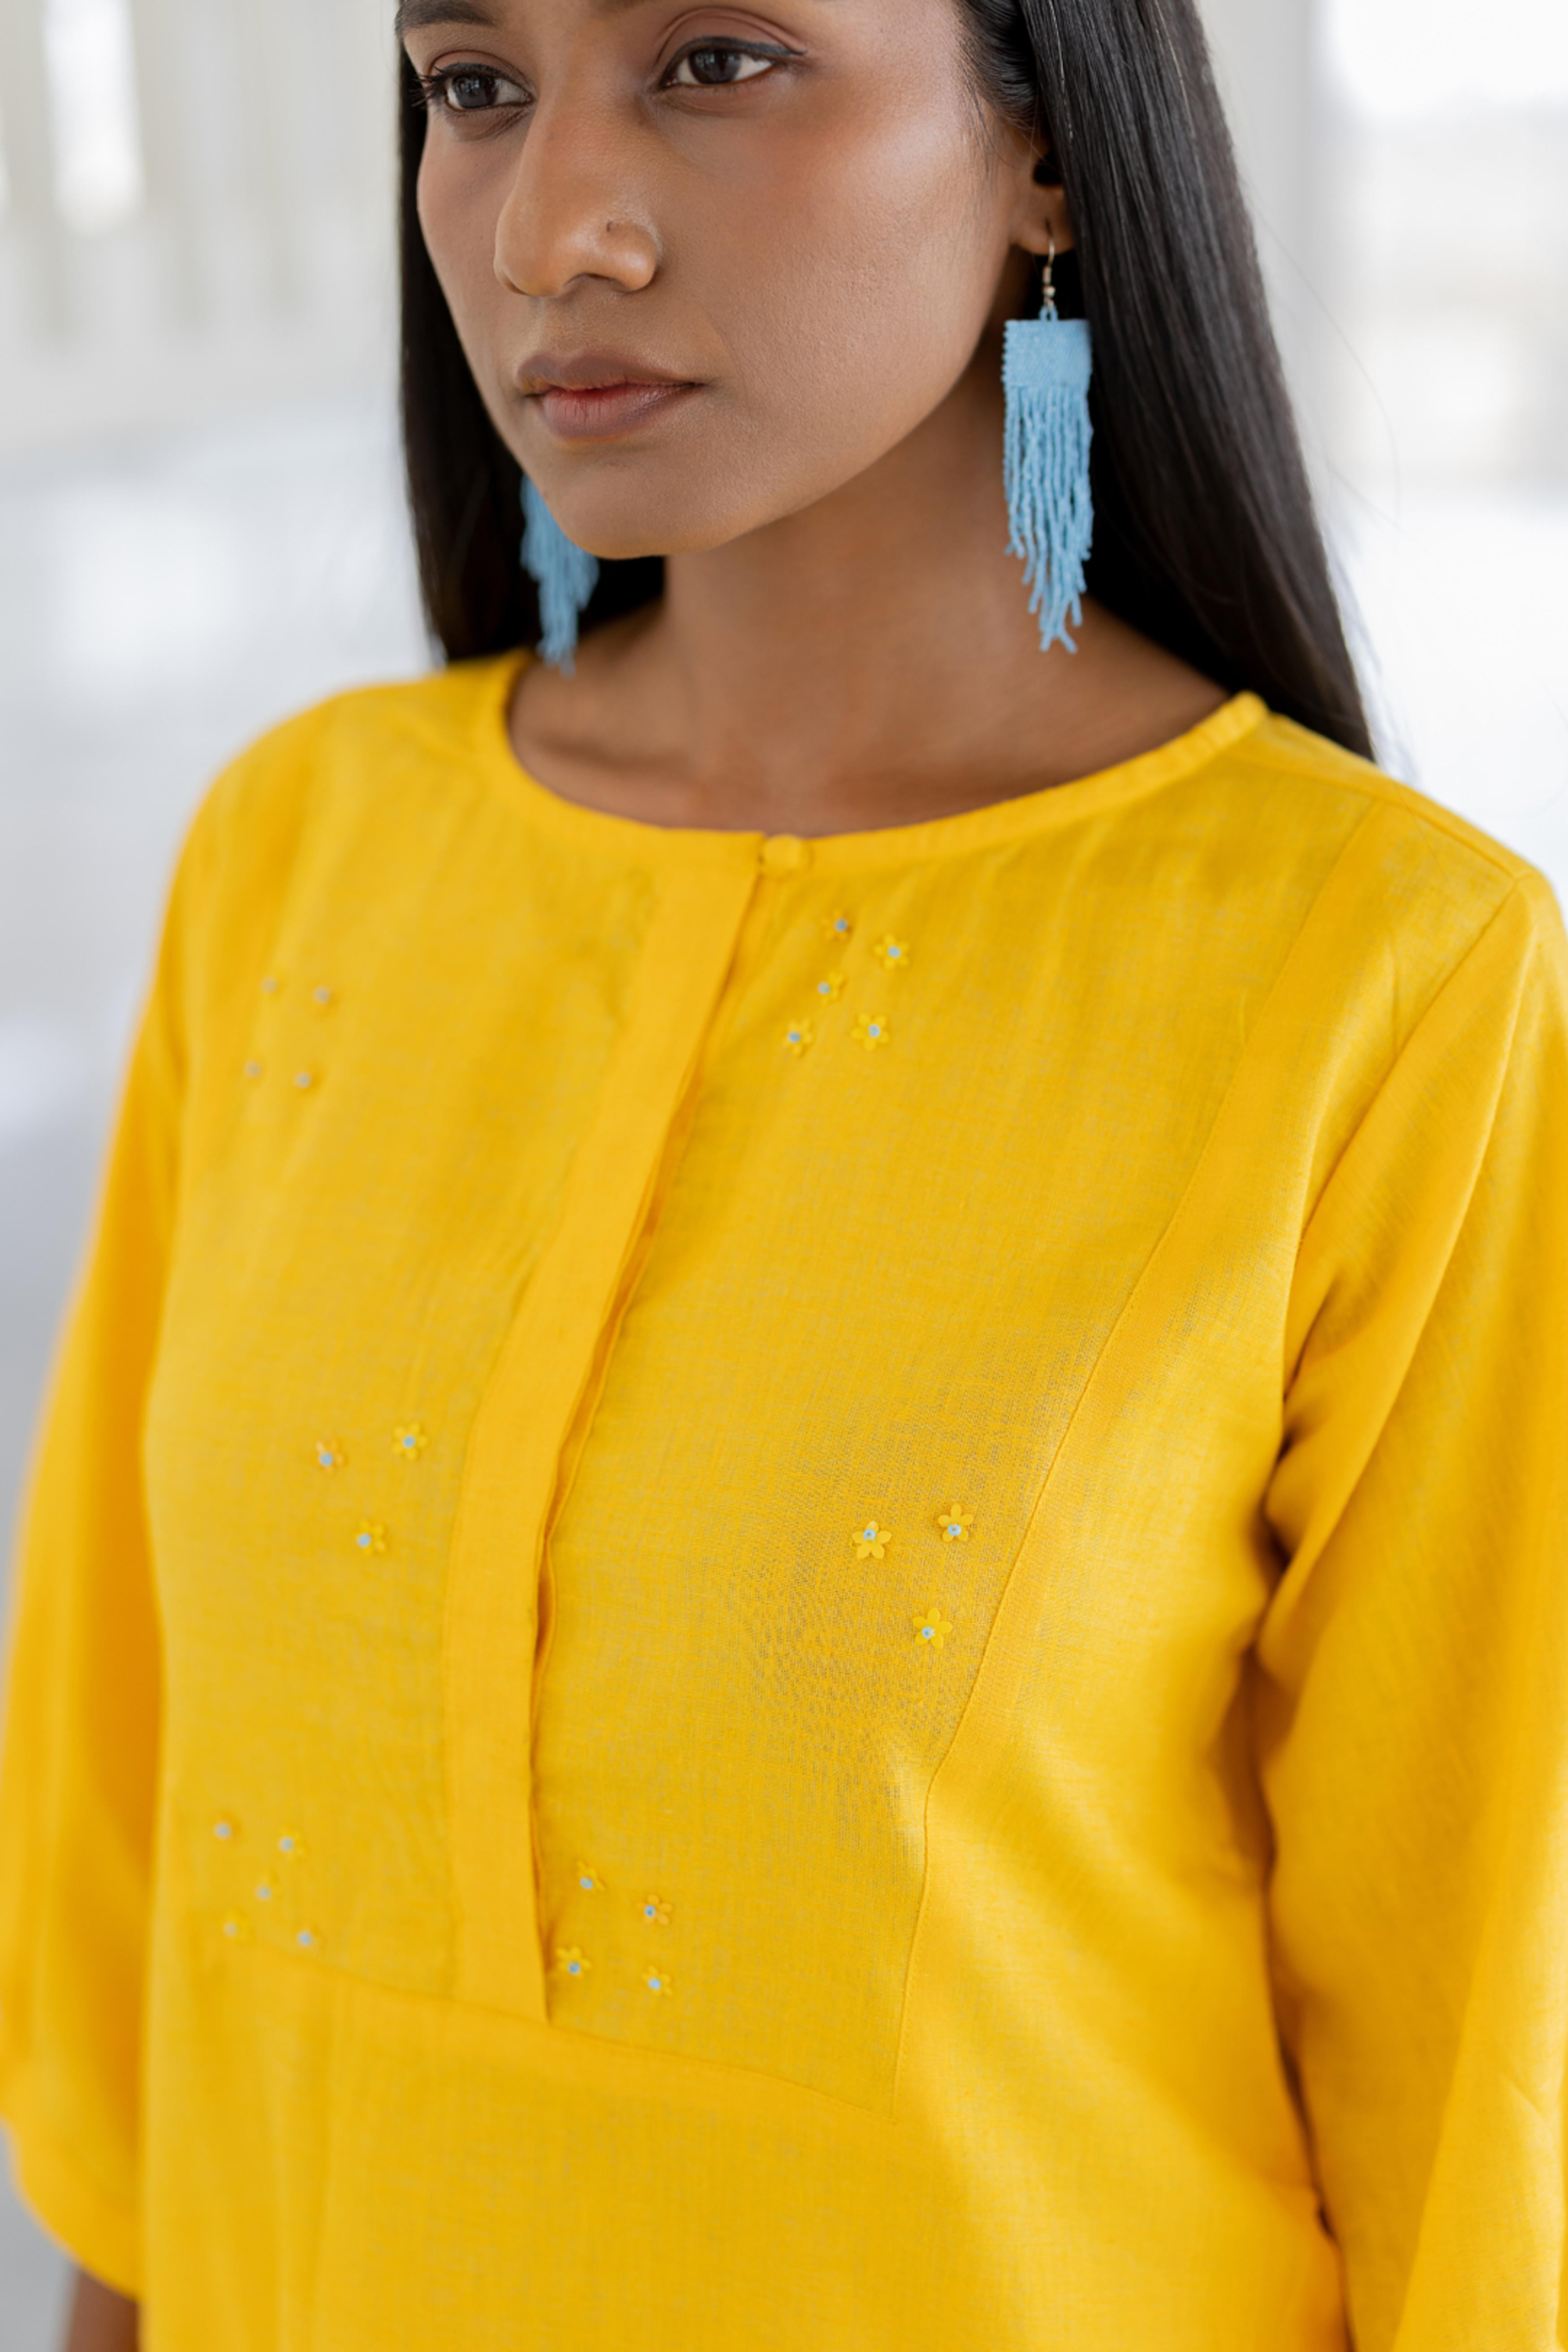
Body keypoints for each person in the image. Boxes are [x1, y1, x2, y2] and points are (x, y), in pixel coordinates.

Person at [4, 0, 1566, 2346]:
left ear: (1048, 151)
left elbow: (1486, 2067)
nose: (551, 230)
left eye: (719, 61)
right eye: (472, 88)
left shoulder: (1387, 982)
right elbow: (121, 1866)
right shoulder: (298, 861)